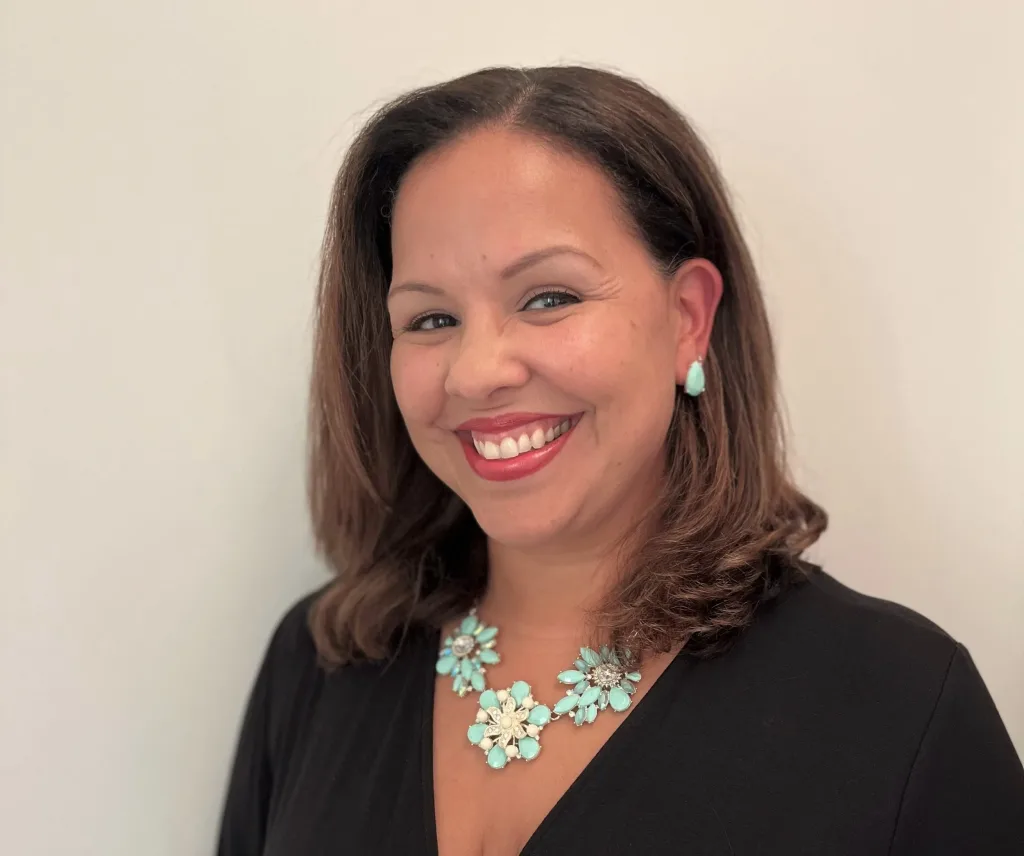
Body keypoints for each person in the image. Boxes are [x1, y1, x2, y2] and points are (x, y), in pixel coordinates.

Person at [216, 65, 1024, 855]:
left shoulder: (898, 705)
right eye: (429, 319)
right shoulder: (320, 664)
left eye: (548, 298)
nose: (475, 371)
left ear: (687, 320)